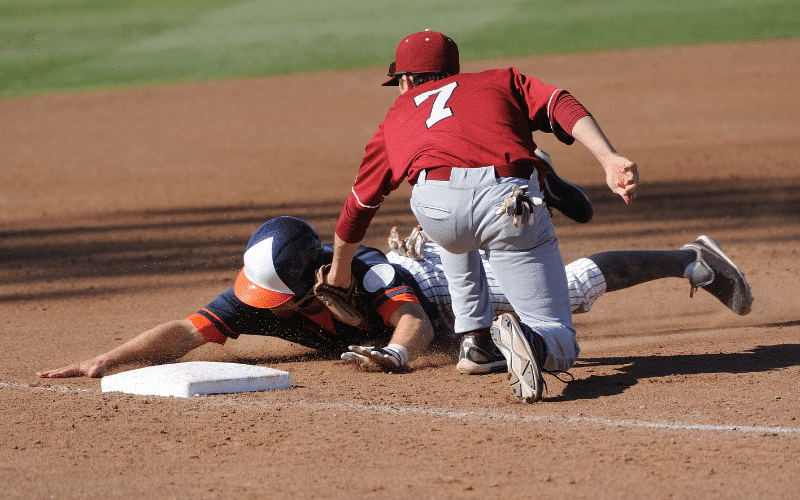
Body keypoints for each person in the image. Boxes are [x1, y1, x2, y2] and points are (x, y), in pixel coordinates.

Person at [37, 218, 752, 384]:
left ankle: (690, 261)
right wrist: (107, 360)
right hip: (420, 281)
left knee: (568, 293)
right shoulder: (263, 293)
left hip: (440, 288)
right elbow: (184, 332)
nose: (264, 306)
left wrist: (396, 354)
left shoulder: (367, 272)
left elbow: (409, 322)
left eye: (277, 295)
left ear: (318, 274)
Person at [324, 30, 639, 402]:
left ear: (405, 81)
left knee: (453, 231)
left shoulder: (397, 114)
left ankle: (475, 340)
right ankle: (534, 344)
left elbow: (360, 204)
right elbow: (560, 103)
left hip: (436, 209)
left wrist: (338, 273)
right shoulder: (499, 80)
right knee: (559, 336)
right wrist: (609, 158)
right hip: (505, 200)